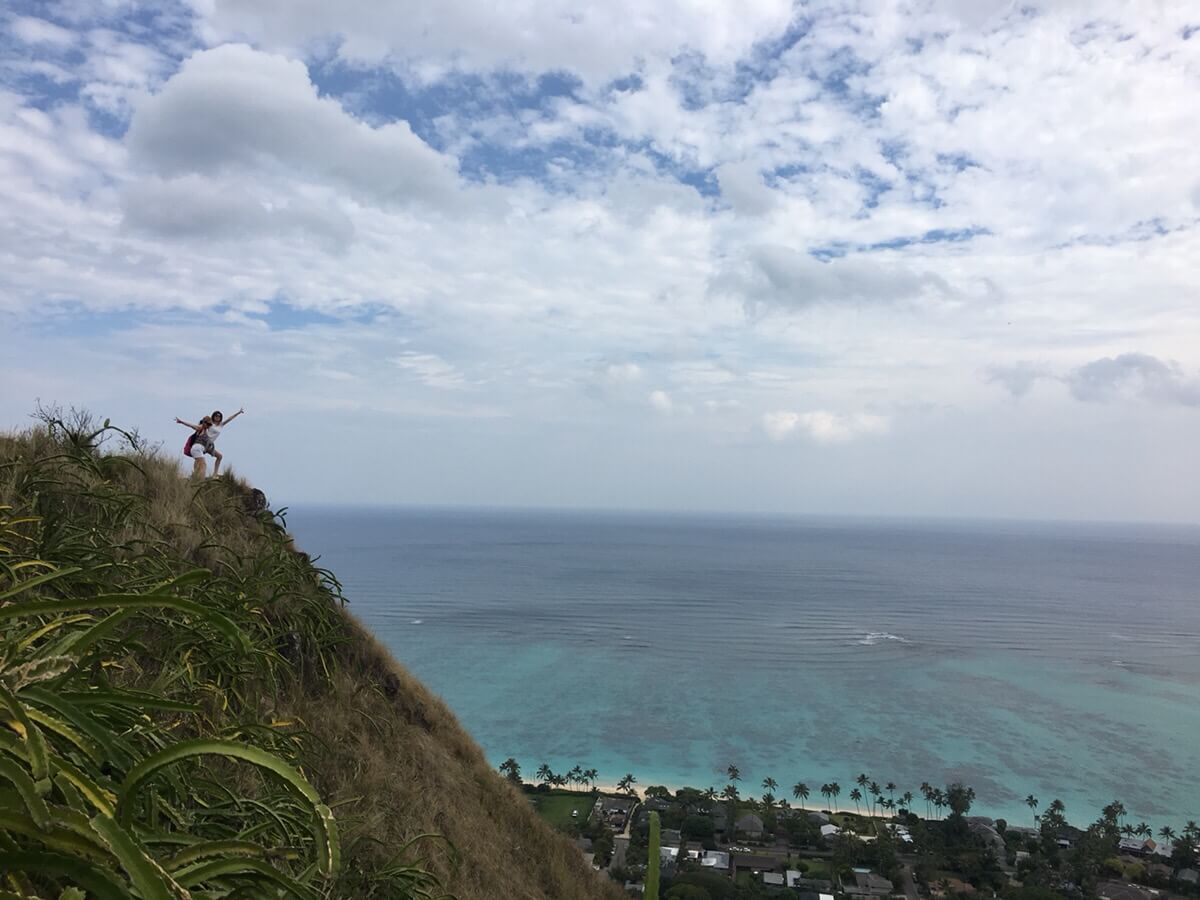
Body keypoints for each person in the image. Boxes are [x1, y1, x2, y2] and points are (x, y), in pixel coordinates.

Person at [205, 408, 244, 476]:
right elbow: (201, 426)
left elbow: (229, 419)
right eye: (216, 416)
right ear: (213, 416)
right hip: (204, 442)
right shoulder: (210, 424)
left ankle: (215, 474)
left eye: (219, 416)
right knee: (199, 457)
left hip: (210, 445)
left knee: (219, 457)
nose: (218, 417)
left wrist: (238, 412)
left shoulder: (221, 425)